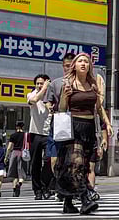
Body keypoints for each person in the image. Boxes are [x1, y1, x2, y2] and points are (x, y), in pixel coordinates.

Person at [57, 53, 113, 214]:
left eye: (86, 62)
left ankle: (68, 203)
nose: (83, 64)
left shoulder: (93, 84)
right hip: (74, 126)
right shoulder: (68, 83)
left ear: (89, 66)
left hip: (89, 127)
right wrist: (64, 96)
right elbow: (62, 108)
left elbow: (99, 108)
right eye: (80, 61)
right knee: (76, 163)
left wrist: (107, 124)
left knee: (83, 166)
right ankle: (84, 199)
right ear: (74, 65)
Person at [46, 52, 75, 201]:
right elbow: (48, 101)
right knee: (54, 159)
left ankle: (69, 188)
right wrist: (49, 106)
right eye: (65, 66)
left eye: (70, 66)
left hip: (75, 122)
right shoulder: (55, 83)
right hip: (58, 122)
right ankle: (59, 185)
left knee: (71, 159)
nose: (68, 69)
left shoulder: (81, 82)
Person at [27, 74, 52, 200]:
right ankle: (37, 190)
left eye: (42, 83)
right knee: (35, 162)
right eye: (37, 83)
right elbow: (34, 100)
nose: (39, 85)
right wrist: (43, 89)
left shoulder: (52, 95)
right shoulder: (32, 94)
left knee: (49, 160)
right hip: (35, 133)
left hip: (49, 133)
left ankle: (45, 186)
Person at [5, 121, 27, 197]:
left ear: (16, 126)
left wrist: (6, 156)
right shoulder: (25, 135)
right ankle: (19, 184)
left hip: (14, 153)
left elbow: (9, 147)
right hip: (22, 153)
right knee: (22, 173)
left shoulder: (13, 135)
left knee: (14, 174)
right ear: (23, 127)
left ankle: (14, 190)